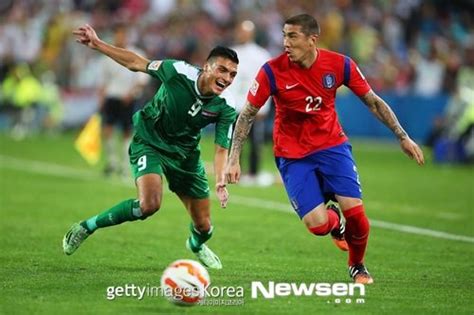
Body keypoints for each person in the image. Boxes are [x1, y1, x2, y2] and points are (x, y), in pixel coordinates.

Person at [225, 14, 424, 284]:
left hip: (332, 147)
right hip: (292, 155)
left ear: (312, 40)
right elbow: (248, 113)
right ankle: (334, 223)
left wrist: (402, 136)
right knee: (318, 225)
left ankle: (357, 265)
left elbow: (373, 102)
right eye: (284, 35)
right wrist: (234, 158)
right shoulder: (272, 70)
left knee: (359, 217)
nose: (285, 43)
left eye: (292, 37)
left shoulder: (340, 65)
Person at [63, 24, 239, 270]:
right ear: (207, 66)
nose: (227, 78)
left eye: (232, 74)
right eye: (222, 70)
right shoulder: (177, 71)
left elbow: (221, 149)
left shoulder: (226, 105)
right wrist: (98, 44)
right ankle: (86, 227)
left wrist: (220, 180)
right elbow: (136, 62)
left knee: (205, 227)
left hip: (185, 156)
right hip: (150, 141)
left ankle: (196, 245)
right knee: (149, 205)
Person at [98, 25, 149, 177]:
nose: (121, 38)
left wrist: (132, 93)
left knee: (127, 132)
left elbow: (142, 79)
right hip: (112, 97)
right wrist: (101, 98)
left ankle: (125, 166)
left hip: (128, 98)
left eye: (123, 35)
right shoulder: (107, 57)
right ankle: (112, 162)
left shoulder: (136, 54)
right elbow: (103, 81)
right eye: (118, 35)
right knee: (107, 130)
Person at [227, 20, 272, 186]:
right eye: (240, 31)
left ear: (251, 34)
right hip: (234, 104)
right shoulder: (232, 52)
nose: (241, 34)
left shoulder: (261, 55)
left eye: (244, 31)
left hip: (252, 105)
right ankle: (231, 172)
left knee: (255, 140)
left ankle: (253, 173)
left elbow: (267, 82)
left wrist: (264, 106)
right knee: (232, 140)